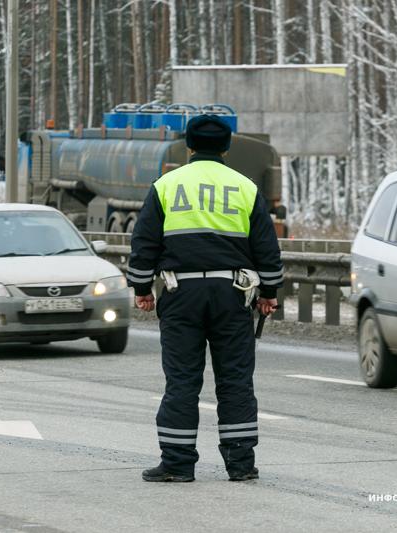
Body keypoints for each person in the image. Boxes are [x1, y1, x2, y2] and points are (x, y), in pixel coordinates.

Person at [127, 115, 283, 482]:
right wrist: (269, 293)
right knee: (235, 380)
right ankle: (241, 464)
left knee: (182, 380)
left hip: (181, 293)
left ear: (189, 147)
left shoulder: (166, 185)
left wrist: (141, 288)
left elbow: (145, 241)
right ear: (226, 147)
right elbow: (266, 246)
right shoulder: (244, 187)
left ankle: (178, 464)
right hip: (233, 294)